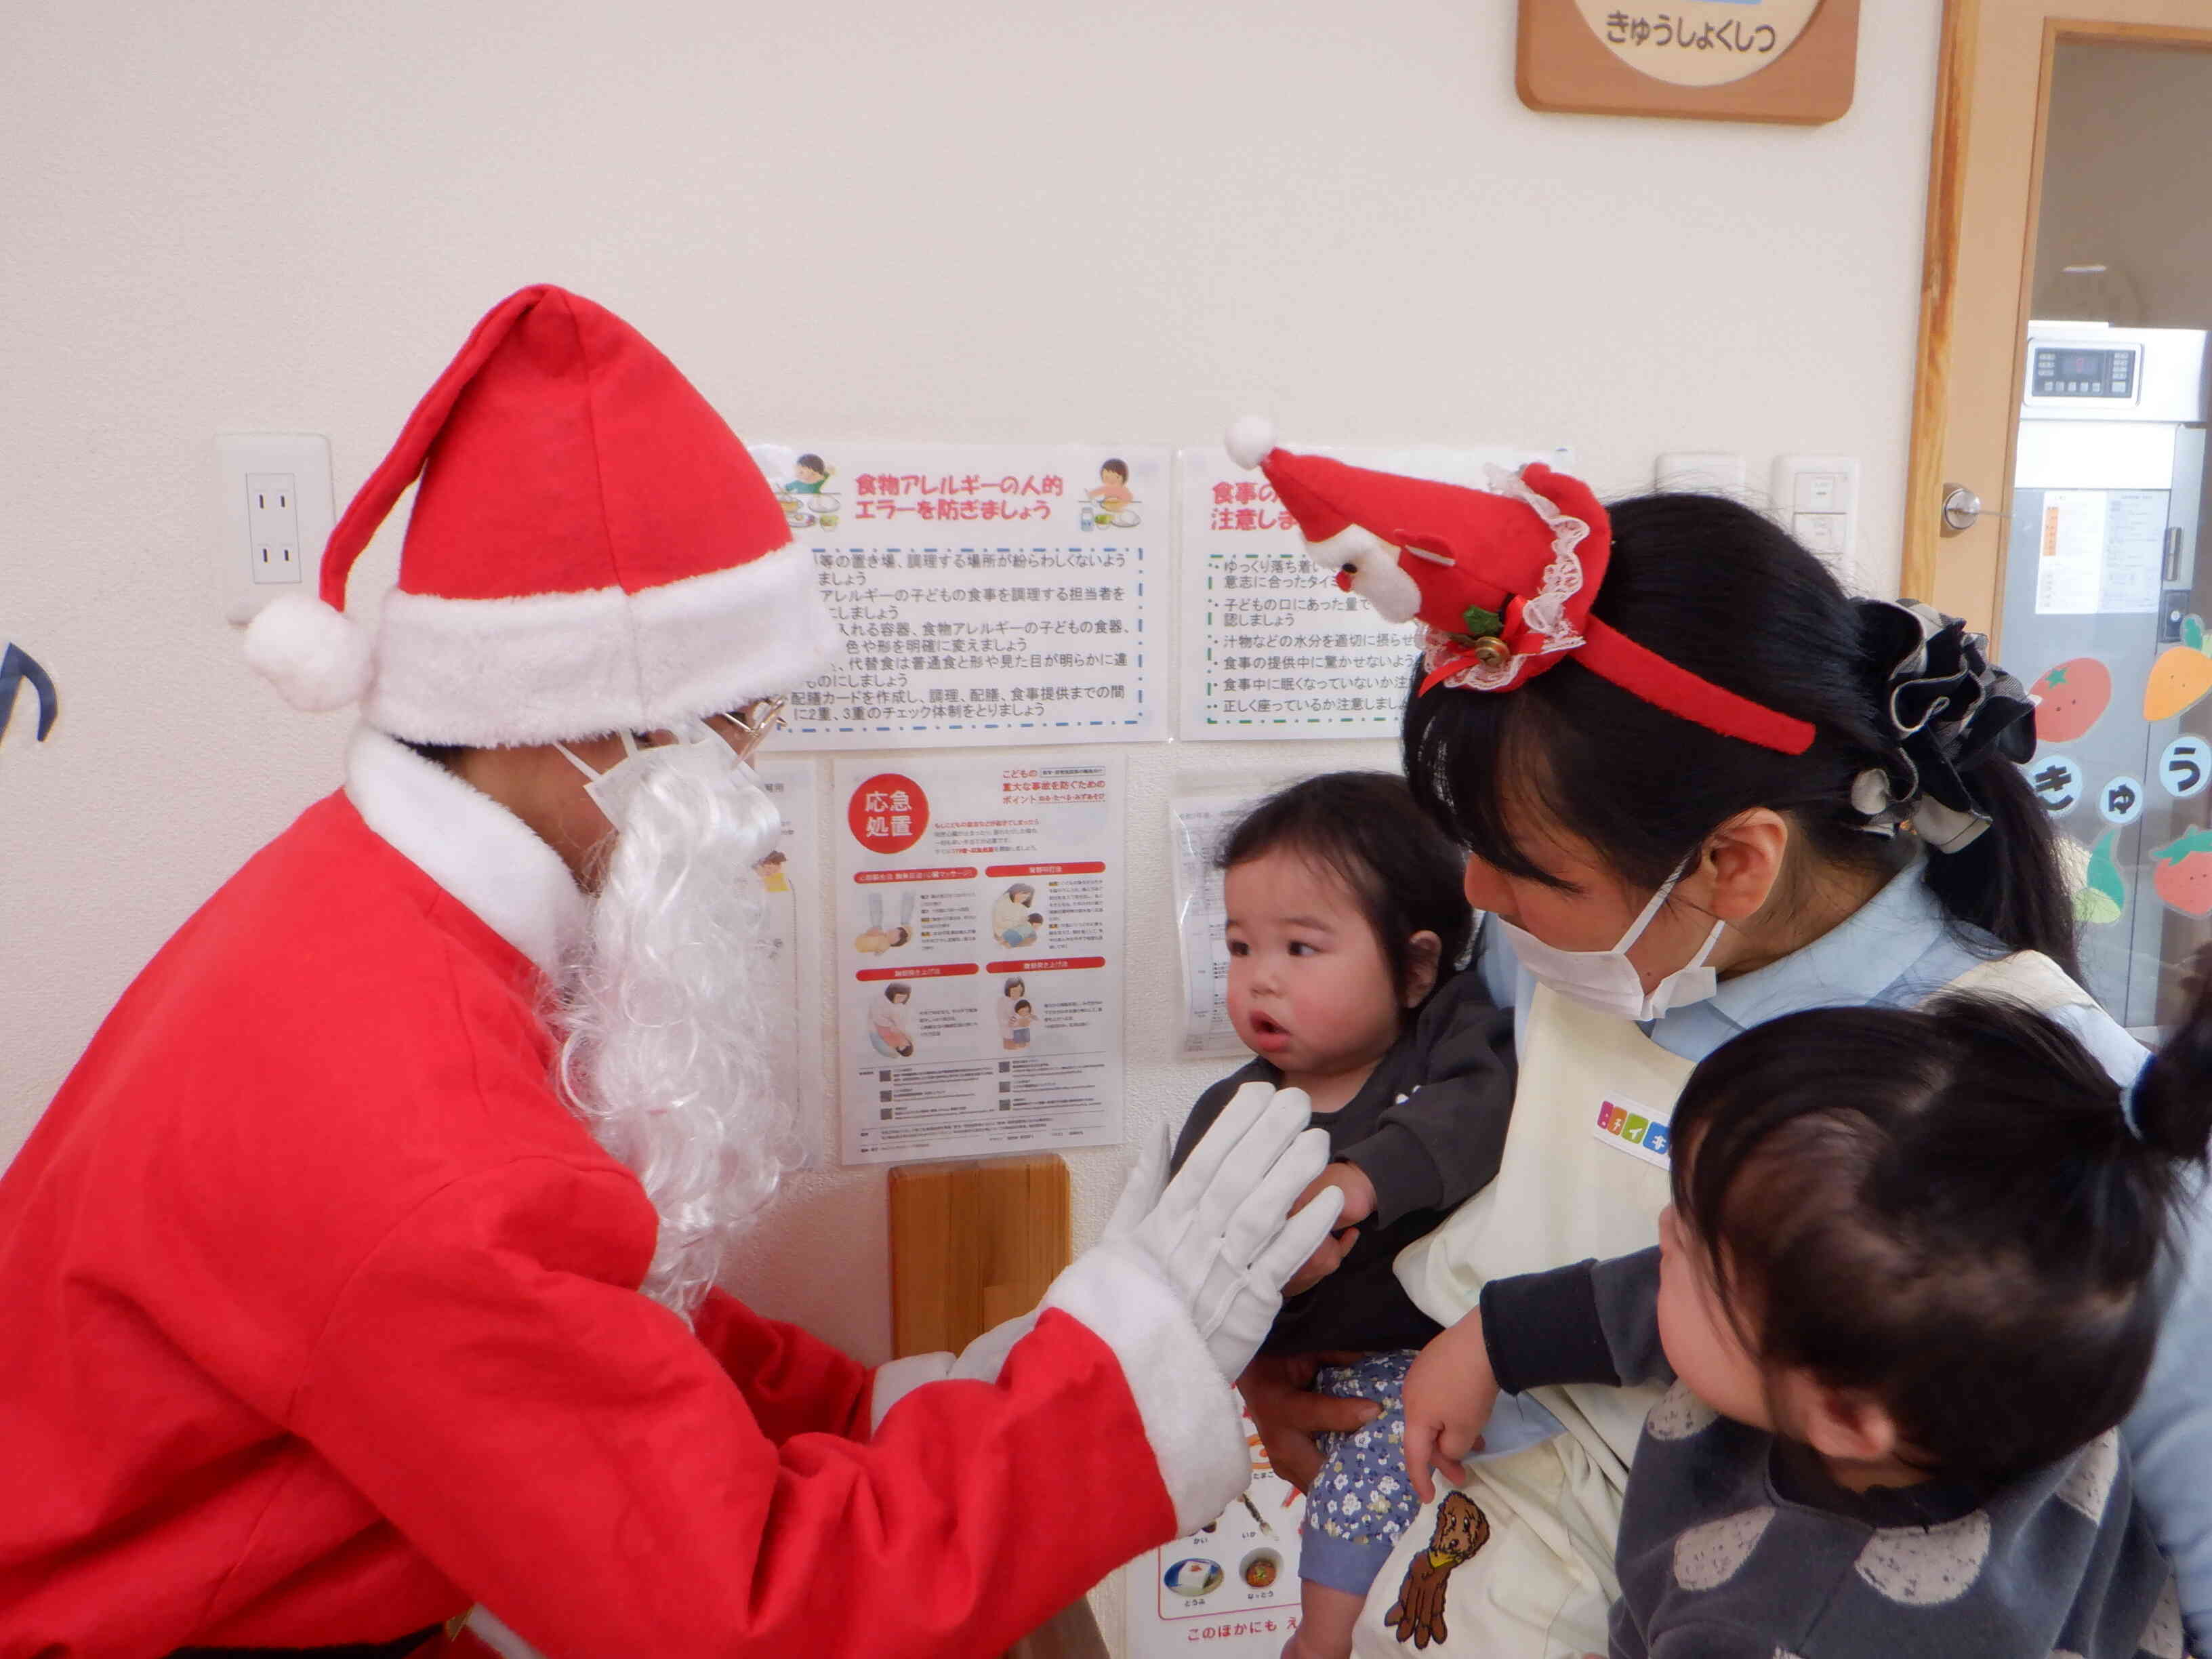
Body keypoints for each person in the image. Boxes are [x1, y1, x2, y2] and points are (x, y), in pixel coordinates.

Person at [0, 288, 1345, 1659]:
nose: (751, 793)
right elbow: (745, 1616)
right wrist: (1122, 1380)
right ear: (564, 718)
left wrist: (1003, 1387)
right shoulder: (428, 1143)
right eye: (731, 726)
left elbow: (601, 1329)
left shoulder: (370, 910)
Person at [1214, 420, 2211, 1658]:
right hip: (1448, 1545)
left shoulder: (2025, 1100)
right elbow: (1486, 1196)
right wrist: (1294, 1357)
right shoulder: (1583, 952)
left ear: (1734, 862)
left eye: (1523, 865)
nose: (1476, 892)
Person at [1399, 984, 2207, 1659]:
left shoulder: (1781, 1626)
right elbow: (1670, 1296)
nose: (1661, 1233)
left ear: (1845, 1417)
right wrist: (1493, 1339)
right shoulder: (2022, 1350)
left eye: (1693, 1250)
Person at [1167, 773, 1515, 1659]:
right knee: (1370, 1462)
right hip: (1341, 1377)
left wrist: (1363, 1179)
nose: (1260, 979)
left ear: (1417, 967)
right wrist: (1275, 1294)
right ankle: (1321, 1642)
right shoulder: (1231, 1115)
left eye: (1301, 948)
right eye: (1241, 946)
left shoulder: (1450, 1036)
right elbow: (1199, 1288)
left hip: (1468, 1349)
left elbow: (1481, 1110)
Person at [870, 981, 917, 1058]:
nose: (901, 1000)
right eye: (899, 997)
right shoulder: (882, 1002)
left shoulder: (889, 1041)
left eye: (903, 998)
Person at [994, 880, 1042, 947]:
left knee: (1032, 935)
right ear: (1016, 893)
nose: (1024, 899)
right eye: (1023, 896)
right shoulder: (1002, 903)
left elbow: (1023, 921)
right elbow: (999, 923)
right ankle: (1007, 944)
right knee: (1027, 934)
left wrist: (1024, 922)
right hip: (1002, 932)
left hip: (1015, 930)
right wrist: (1018, 923)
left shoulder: (1021, 906)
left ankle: (1009, 943)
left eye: (1026, 898)